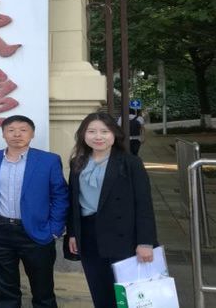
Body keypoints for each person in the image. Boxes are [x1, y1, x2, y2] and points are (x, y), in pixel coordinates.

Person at [0, 115, 69, 308]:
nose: (17, 134)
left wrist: (54, 229)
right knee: (4, 290)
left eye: (23, 130)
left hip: (36, 232)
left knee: (43, 290)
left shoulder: (48, 160)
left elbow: (60, 196)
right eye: (11, 130)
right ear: (3, 134)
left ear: (32, 134)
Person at [66, 112, 157, 308]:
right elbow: (73, 201)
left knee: (127, 295)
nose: (98, 137)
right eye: (91, 131)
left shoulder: (130, 163)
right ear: (83, 134)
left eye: (104, 131)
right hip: (88, 235)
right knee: (99, 290)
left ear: (114, 134)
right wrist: (73, 233)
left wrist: (145, 242)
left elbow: (144, 204)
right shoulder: (77, 162)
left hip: (123, 236)